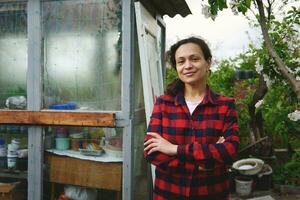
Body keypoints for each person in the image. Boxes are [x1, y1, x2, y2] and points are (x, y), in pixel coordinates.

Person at [144, 36, 240, 200]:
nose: (187, 66)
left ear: (208, 62)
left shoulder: (225, 106)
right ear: (176, 67)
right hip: (168, 194)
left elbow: (230, 151)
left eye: (194, 59)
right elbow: (151, 152)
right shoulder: (164, 104)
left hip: (211, 194)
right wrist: (202, 165)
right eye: (181, 62)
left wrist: (174, 149)